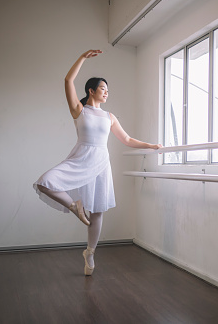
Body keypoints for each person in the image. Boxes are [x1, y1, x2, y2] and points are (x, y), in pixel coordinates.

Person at [34, 49, 162, 276]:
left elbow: (127, 139)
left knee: (98, 211)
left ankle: (90, 252)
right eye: (103, 88)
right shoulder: (79, 110)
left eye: (108, 90)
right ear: (91, 90)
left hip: (101, 162)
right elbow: (68, 80)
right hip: (81, 157)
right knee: (45, 182)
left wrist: (151, 146)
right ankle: (74, 206)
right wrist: (82, 58)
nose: (106, 93)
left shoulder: (109, 116)